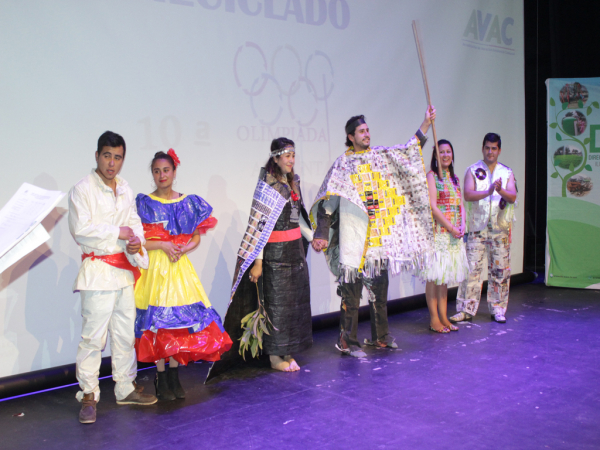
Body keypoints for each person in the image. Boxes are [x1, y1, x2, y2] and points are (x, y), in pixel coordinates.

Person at [311, 108, 436, 357]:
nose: (367, 134)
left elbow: (407, 153)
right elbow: (328, 204)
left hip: (378, 241)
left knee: (380, 293)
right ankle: (347, 341)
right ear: (350, 137)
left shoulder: (379, 157)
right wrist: (321, 233)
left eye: (367, 130)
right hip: (353, 240)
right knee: (352, 296)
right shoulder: (343, 165)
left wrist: (426, 124)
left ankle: (381, 337)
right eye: (361, 131)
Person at [68, 131, 157, 425]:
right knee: (94, 337)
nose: (112, 163)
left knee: (123, 335)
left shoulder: (125, 188)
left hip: (123, 273)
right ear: (97, 156)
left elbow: (135, 226)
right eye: (107, 155)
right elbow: (82, 228)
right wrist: (116, 233)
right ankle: (89, 394)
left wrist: (135, 244)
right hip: (97, 273)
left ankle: (124, 387)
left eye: (118, 157)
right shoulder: (82, 189)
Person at [208, 137, 312, 380]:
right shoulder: (266, 186)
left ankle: (287, 352)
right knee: (275, 307)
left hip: (294, 252)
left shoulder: (293, 182)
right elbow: (260, 228)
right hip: (274, 256)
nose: (291, 160)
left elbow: (298, 219)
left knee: (292, 306)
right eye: (286, 155)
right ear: (275, 157)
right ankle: (275, 357)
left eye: (293, 155)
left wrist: (313, 237)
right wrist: (258, 262)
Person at [134, 149, 232, 400]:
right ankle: (160, 375)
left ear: (174, 172)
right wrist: (163, 246)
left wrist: (183, 248)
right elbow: (140, 239)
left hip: (178, 267)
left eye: (166, 170)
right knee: (158, 322)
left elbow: (196, 236)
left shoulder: (188, 202)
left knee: (179, 321)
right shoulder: (144, 202)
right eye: (156, 171)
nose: (161, 175)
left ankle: (174, 376)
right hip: (156, 267)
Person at [450, 133, 517, 324]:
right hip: (477, 228)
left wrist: (500, 190)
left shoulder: (507, 172)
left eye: (494, 148)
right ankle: (466, 309)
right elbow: (468, 194)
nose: (490, 152)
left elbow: (512, 196)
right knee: (471, 270)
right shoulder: (473, 170)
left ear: (499, 150)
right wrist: (487, 191)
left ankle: (498, 308)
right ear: (483, 148)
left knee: (500, 271)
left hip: (500, 228)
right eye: (487, 148)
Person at [417, 140, 469, 333]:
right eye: (442, 152)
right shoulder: (432, 176)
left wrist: (462, 225)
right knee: (434, 276)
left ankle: (444, 316)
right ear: (436, 156)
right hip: (438, 234)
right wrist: (450, 227)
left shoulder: (453, 177)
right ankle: (434, 319)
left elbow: (460, 205)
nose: (446, 155)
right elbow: (433, 206)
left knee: (444, 277)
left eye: (448, 152)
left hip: (453, 236)